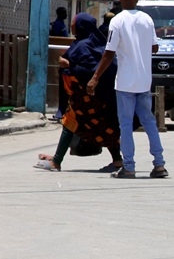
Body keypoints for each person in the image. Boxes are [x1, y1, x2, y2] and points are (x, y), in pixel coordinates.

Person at [87, 0, 168, 179]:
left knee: (125, 124)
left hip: (125, 82)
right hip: (143, 80)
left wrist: (95, 77)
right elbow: (154, 48)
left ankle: (129, 166)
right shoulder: (147, 19)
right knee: (149, 122)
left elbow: (109, 53)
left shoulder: (117, 21)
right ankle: (159, 164)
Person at [35, 13, 125, 172]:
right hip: (100, 98)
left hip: (86, 99)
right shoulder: (97, 43)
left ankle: (56, 161)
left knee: (70, 123)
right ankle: (117, 161)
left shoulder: (83, 45)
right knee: (104, 128)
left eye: (74, 23)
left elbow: (88, 70)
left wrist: (67, 65)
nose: (71, 26)